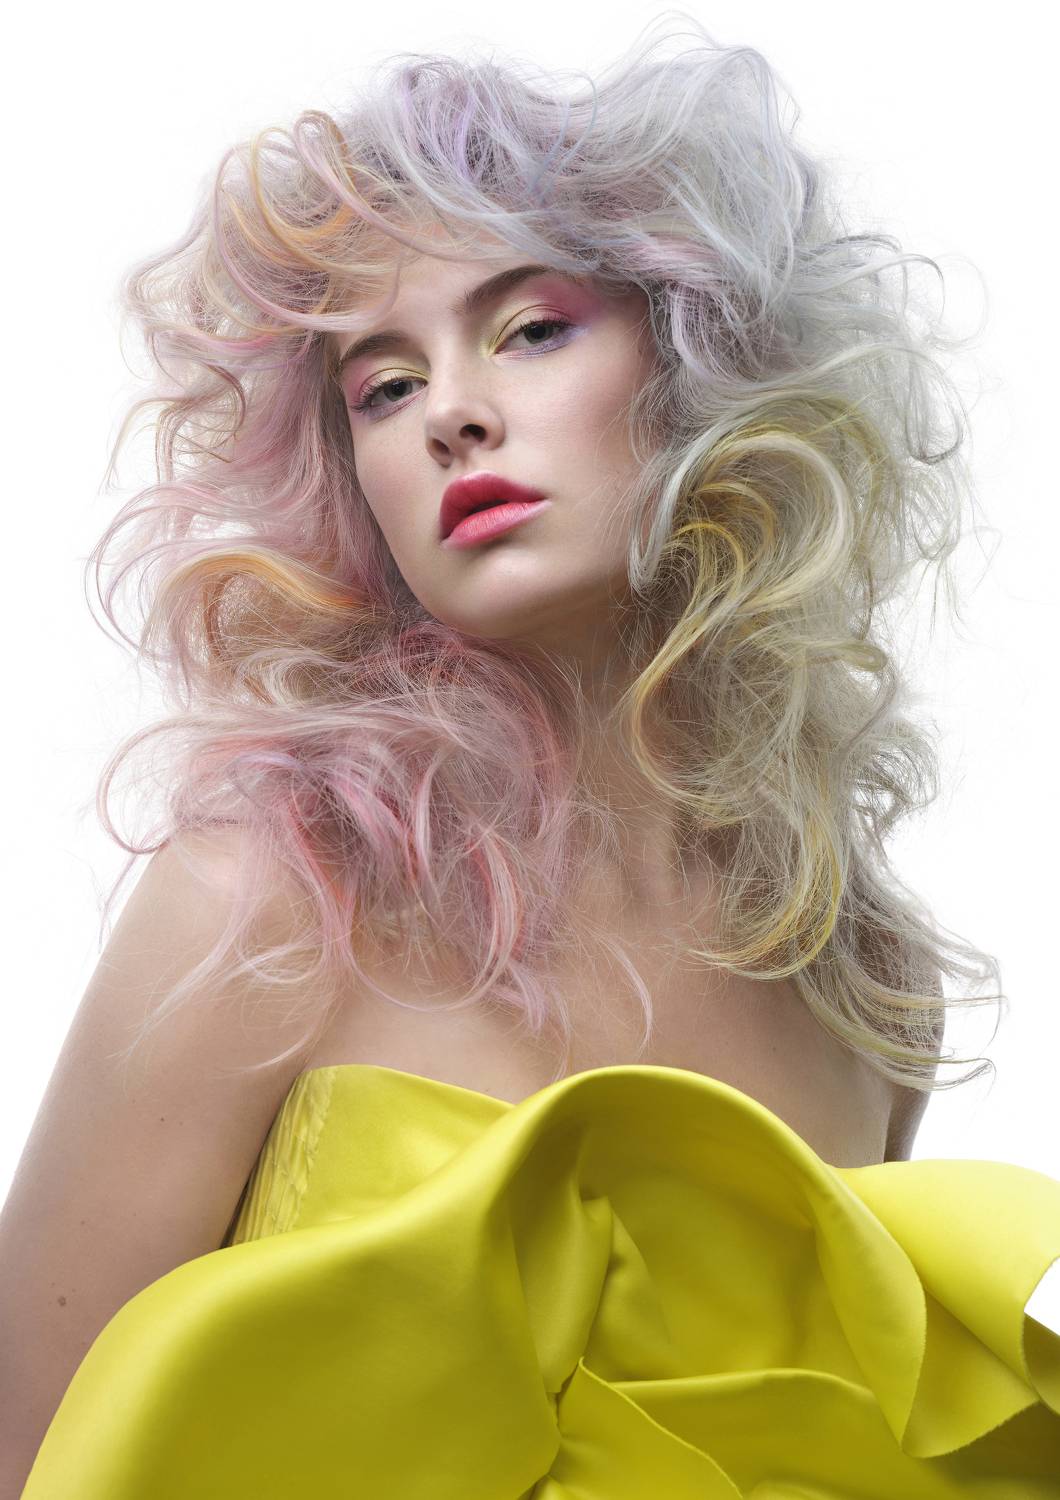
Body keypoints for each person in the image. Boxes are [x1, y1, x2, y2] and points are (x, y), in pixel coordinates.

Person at [4, 18, 1059, 1497]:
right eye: (383, 386)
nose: (452, 412)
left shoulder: (861, 979)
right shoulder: (272, 896)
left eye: (531, 328)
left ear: (701, 363)